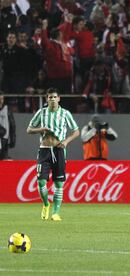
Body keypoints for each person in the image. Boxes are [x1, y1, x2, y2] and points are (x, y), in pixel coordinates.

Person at [27, 88, 80, 221]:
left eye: (54, 97)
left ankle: (56, 213)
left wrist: (66, 141)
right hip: (44, 149)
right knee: (41, 181)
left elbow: (76, 131)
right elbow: (29, 129)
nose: (52, 99)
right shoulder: (42, 113)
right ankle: (46, 204)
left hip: (59, 150)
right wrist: (42, 129)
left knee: (59, 184)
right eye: (50, 97)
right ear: (47, 99)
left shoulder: (65, 113)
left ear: (59, 98)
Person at [0, 92, 16, 160]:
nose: (1, 101)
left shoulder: (7, 109)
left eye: (2, 99)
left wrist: (13, 138)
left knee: (4, 158)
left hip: (4, 138)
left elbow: (12, 125)